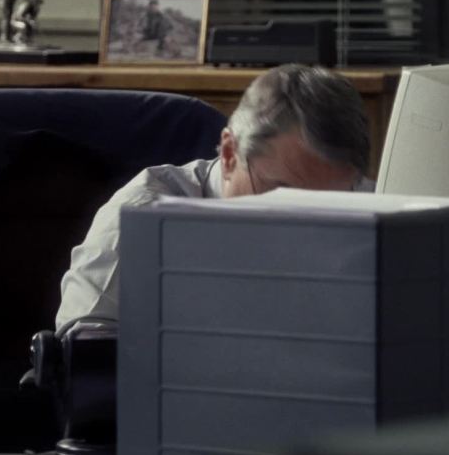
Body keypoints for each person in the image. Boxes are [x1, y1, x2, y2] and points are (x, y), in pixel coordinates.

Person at [55, 64, 371, 331]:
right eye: (284, 196)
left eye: (329, 205)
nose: (303, 228)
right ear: (231, 154)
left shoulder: (375, 209)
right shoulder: (139, 220)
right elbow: (85, 367)